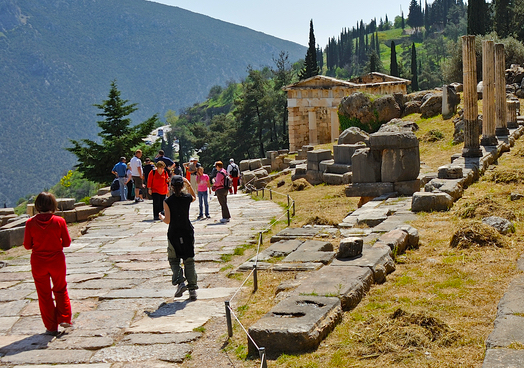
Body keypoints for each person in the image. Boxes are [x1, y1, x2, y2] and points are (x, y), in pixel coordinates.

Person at [23, 192, 73, 335]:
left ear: (37, 206)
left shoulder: (30, 223)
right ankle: (65, 318)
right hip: (56, 260)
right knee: (60, 288)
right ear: (53, 205)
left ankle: (51, 327)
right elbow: (67, 243)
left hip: (38, 262)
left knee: (44, 294)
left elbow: (27, 245)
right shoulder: (59, 221)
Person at [159, 175, 198, 301]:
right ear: (182, 186)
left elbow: (168, 220)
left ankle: (180, 282)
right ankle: (192, 290)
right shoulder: (187, 198)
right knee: (189, 260)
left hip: (174, 233)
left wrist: (161, 217)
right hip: (187, 231)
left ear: (171, 187)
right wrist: (189, 185)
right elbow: (194, 197)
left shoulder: (167, 201)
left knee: (174, 259)